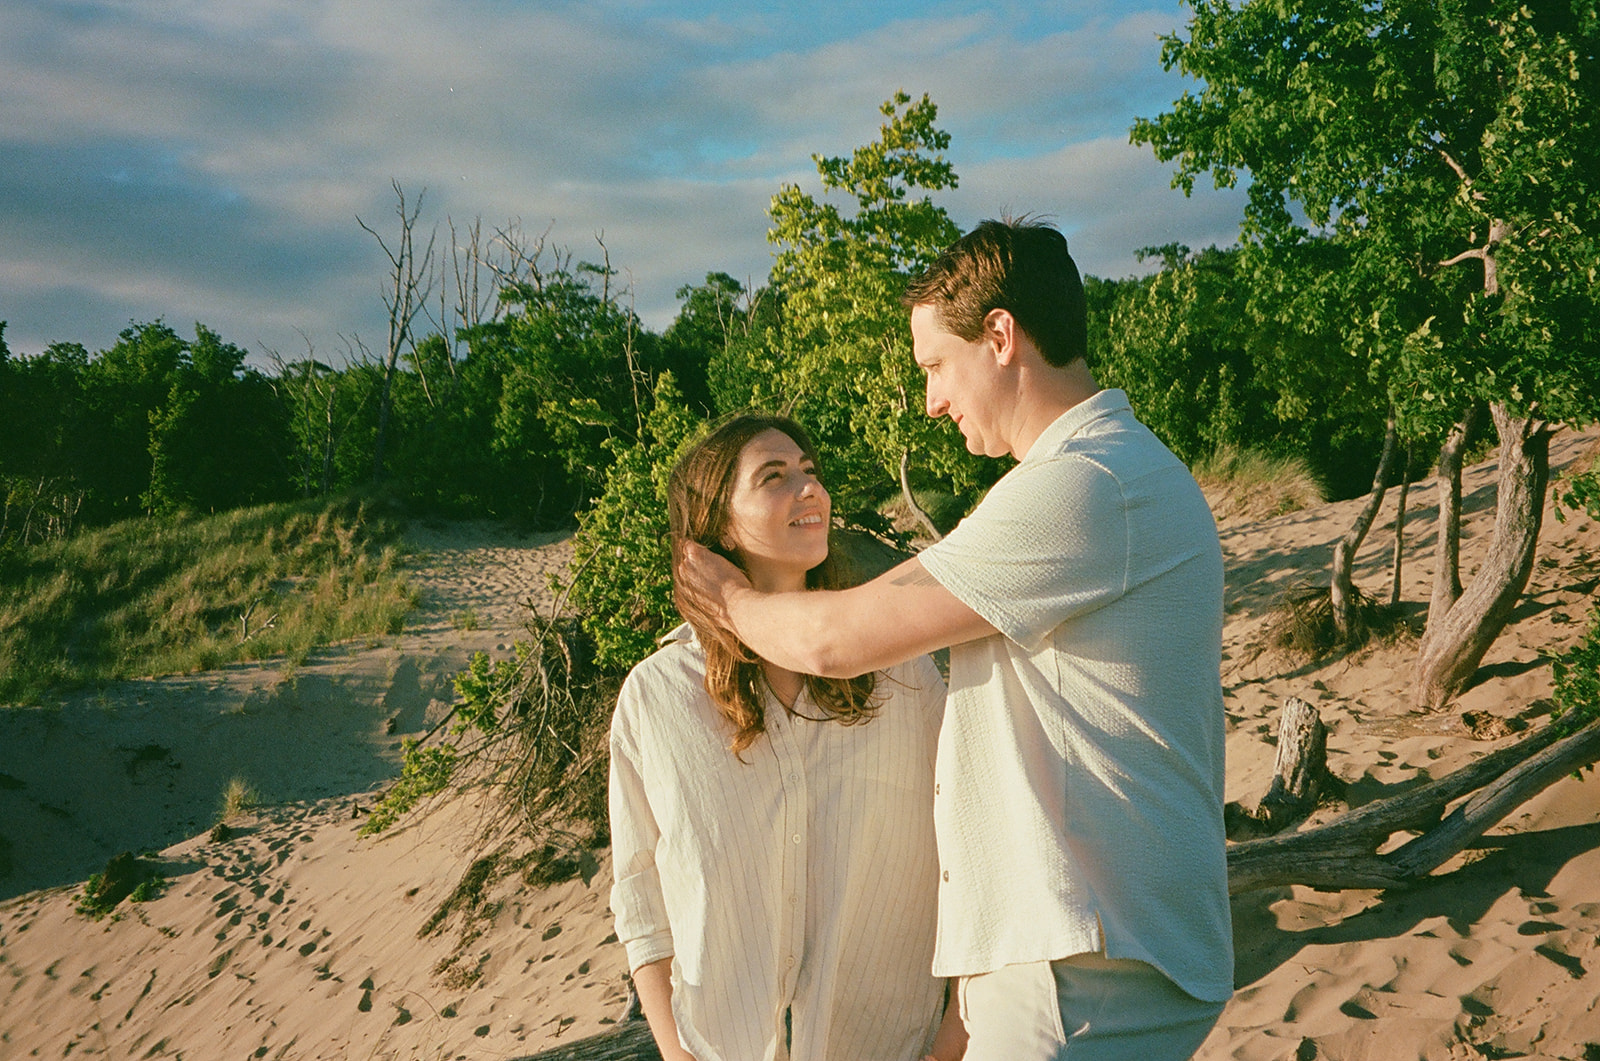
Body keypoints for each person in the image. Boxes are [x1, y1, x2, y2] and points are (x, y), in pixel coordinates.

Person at [677, 219, 1234, 1060]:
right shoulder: (1104, 473)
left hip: (1081, 969)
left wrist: (727, 596)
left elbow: (837, 640)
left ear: (1001, 336)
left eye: (936, 366)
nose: (933, 399)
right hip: (1085, 960)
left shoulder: (1085, 486)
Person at [608, 413, 967, 1061]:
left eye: (811, 471)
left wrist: (953, 1037)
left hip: (890, 1044)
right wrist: (675, 1050)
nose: (809, 489)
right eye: (775, 476)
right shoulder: (657, 697)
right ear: (717, 525)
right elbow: (641, 897)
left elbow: (968, 843)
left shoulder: (897, 669)